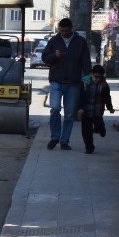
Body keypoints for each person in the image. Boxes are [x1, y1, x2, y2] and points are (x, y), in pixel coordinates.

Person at [41, 17, 91, 150]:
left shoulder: (80, 42)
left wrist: (88, 80)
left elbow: (86, 61)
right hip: (56, 81)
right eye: (61, 30)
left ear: (71, 29)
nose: (63, 33)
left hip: (73, 83)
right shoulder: (54, 40)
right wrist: (54, 56)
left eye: (65, 30)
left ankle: (64, 141)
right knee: (55, 108)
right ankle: (54, 137)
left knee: (69, 114)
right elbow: (44, 58)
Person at [77, 65, 115, 154]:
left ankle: (101, 129)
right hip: (86, 110)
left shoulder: (104, 84)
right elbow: (80, 96)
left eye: (100, 77)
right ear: (91, 74)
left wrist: (110, 108)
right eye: (96, 77)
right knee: (86, 130)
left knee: (99, 125)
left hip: (98, 110)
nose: (97, 79)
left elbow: (107, 97)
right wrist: (80, 108)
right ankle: (89, 147)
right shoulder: (85, 81)